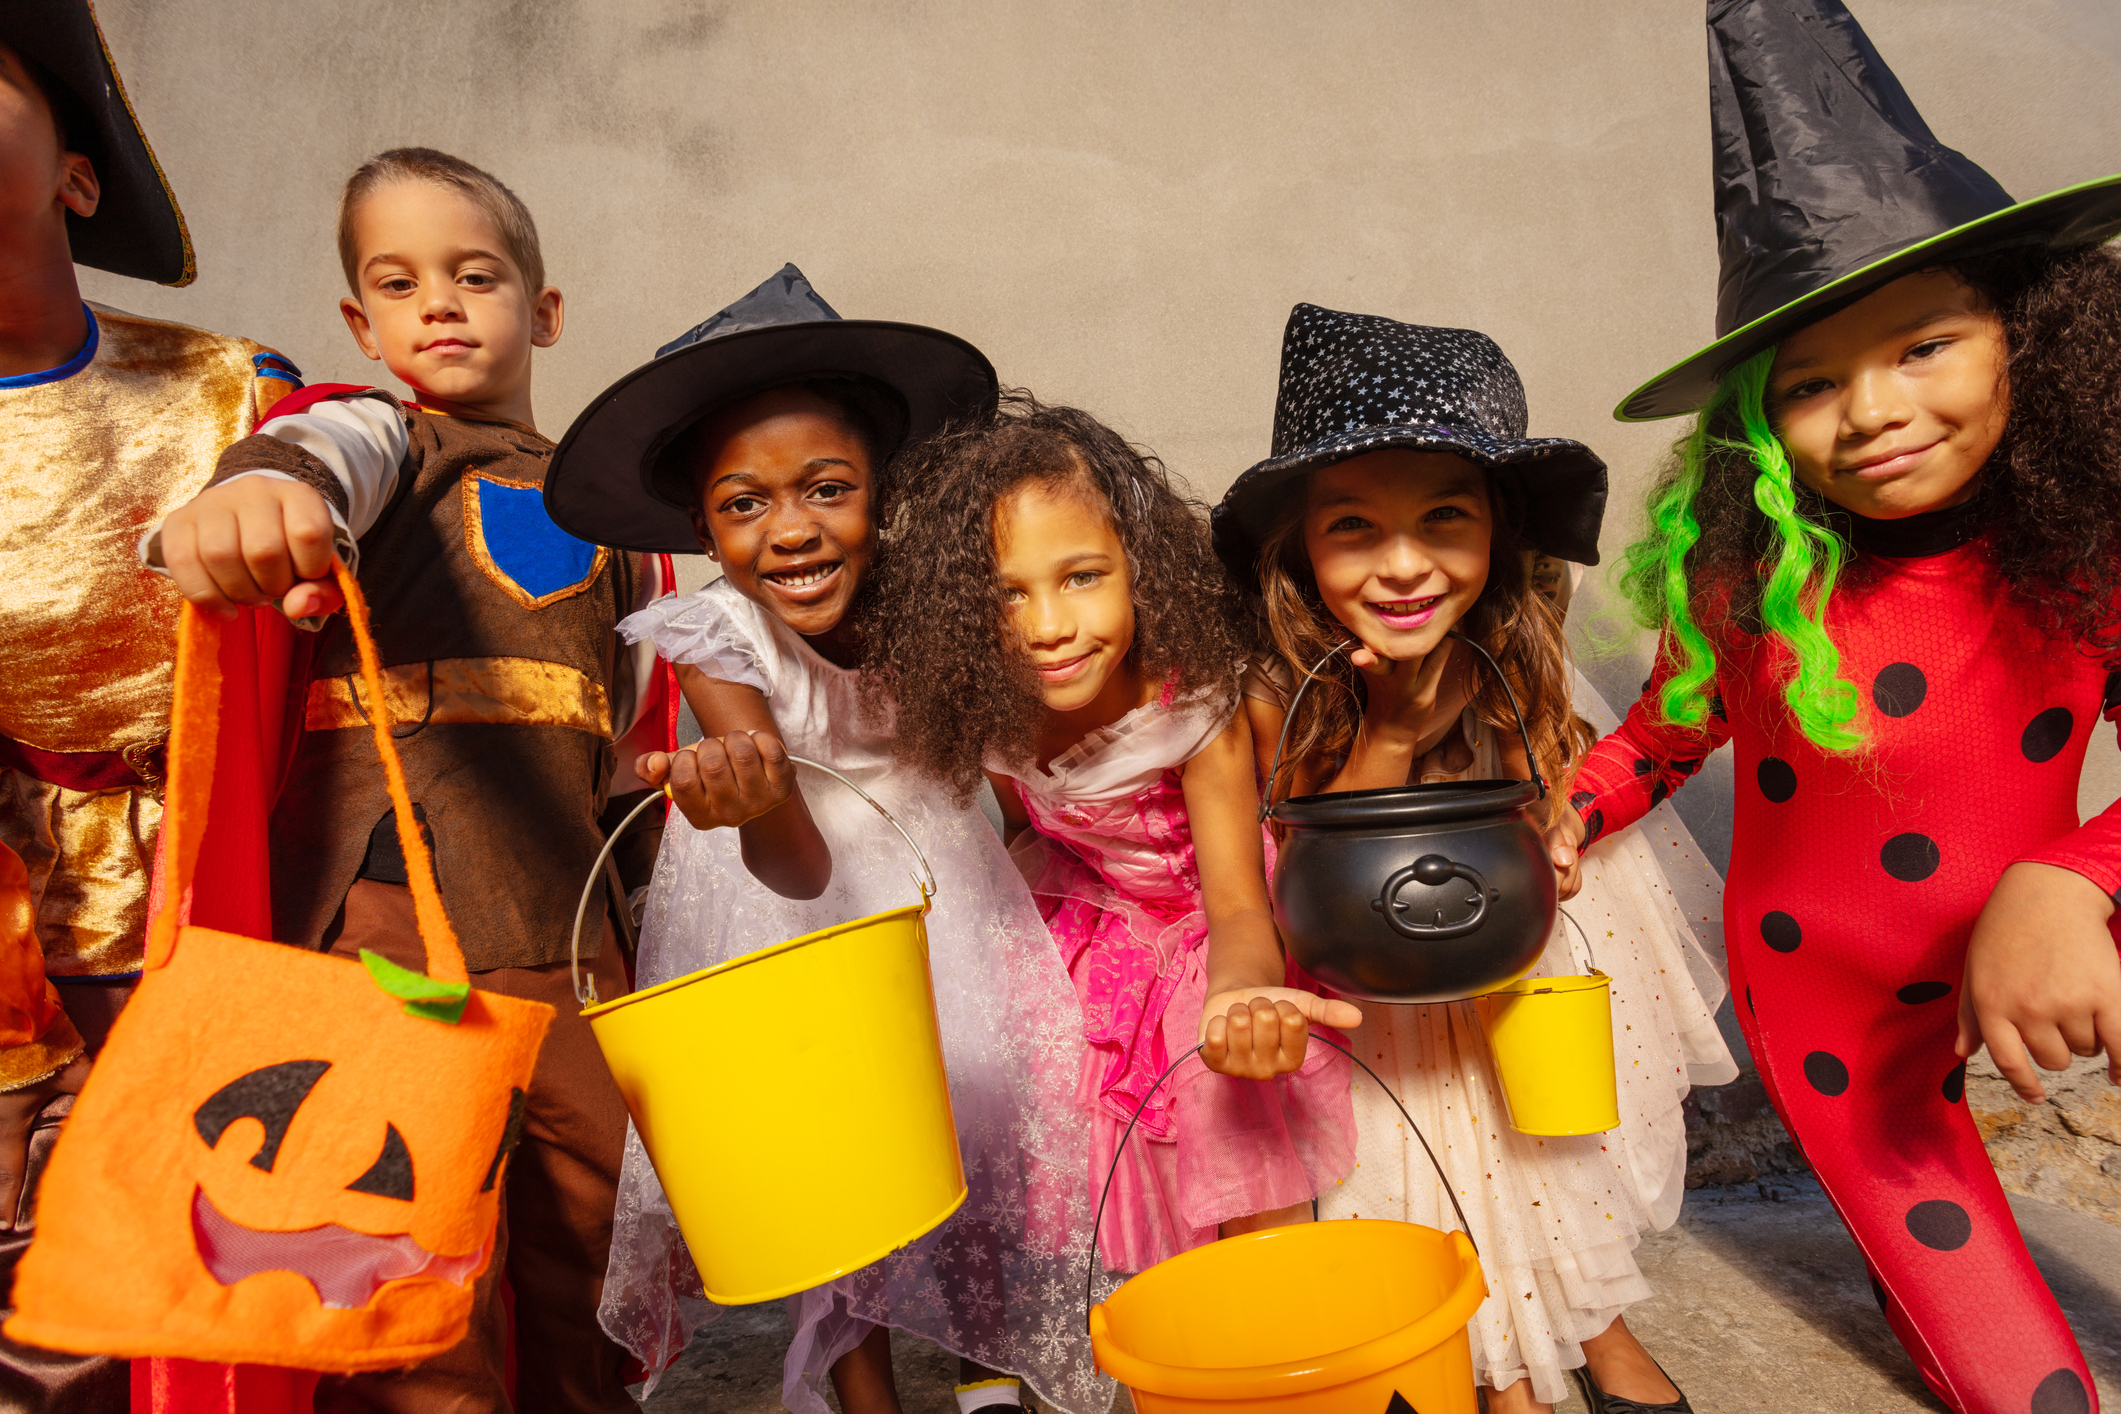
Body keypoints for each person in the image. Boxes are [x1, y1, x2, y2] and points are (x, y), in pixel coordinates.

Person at [1577, 4, 2121, 1411]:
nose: (1868, 409)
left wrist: (2070, 876)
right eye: (1808, 382)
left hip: (2060, 941)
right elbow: (1659, 739)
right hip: (1832, 999)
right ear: (1757, 425)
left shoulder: (2087, 553)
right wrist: (1559, 814)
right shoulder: (1744, 583)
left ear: (2031, 338)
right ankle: (1913, 1253)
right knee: (2033, 1389)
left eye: (1922, 346)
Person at [149, 147, 671, 1414]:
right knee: (401, 1238)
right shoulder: (374, 437)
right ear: (361, 321)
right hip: (386, 919)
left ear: (543, 311)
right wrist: (264, 486)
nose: (437, 303)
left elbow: (639, 728)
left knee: (594, 1228)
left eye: (474, 275)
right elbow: (308, 457)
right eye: (400, 281)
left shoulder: (621, 522)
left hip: (568, 933)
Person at [540, 266, 1106, 1414]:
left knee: (983, 1124)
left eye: (826, 489)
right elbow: (794, 866)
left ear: (882, 489)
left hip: (946, 882)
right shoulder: (715, 634)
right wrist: (750, 800)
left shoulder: (942, 598)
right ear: (703, 522)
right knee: (843, 1159)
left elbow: (1013, 753)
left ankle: (991, 1377)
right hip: (792, 900)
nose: (789, 530)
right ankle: (867, 1396)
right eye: (744, 504)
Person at [1210, 303, 1734, 1414]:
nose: (1404, 566)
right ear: (1300, 541)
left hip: (1500, 944)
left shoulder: (1513, 641)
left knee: (1540, 1135)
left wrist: (1559, 831)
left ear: (1496, 529)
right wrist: (1393, 729)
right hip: (1363, 966)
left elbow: (1554, 784)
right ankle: (1489, 1351)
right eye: (1354, 528)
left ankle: (1585, 1313)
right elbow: (1325, 877)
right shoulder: (1270, 678)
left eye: (1444, 519)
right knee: (1424, 1148)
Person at [861, 393, 1360, 1273]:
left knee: (1236, 1152)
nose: (1048, 628)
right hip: (1103, 932)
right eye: (1004, 594)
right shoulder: (991, 719)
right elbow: (1037, 841)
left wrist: (1238, 994)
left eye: (1081, 577)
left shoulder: (1195, 706)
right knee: (1102, 1161)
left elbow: (1239, 903)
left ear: (1140, 567)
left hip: (1219, 924)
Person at [0, 4, 302, 1407]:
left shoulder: (236, 390)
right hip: (15, 936)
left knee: (229, 1277)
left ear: (78, 173)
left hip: (231, 889)